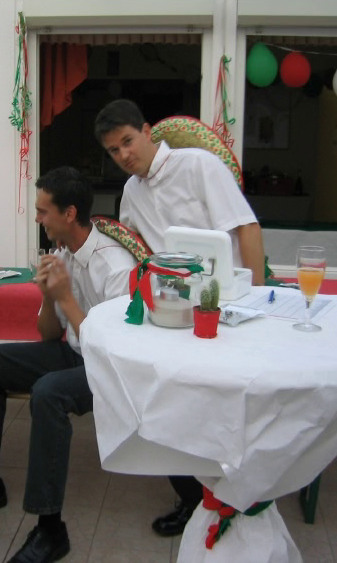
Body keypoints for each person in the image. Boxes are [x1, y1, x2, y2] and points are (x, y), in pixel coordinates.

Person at [0, 167, 137, 563]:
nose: (38, 219)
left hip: (110, 367)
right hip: (74, 352)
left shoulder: (115, 267)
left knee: (49, 393)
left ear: (70, 213)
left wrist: (67, 297)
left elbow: (112, 350)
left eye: (43, 211)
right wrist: (47, 297)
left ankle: (50, 530)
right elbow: (48, 335)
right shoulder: (63, 255)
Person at [94, 99, 266, 538]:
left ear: (147, 131)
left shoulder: (199, 166)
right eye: (113, 150)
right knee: (173, 406)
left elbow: (246, 227)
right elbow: (136, 249)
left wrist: (257, 301)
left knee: (226, 409)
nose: (123, 155)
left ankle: (241, 499)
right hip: (174, 314)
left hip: (226, 308)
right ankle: (193, 501)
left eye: (127, 141)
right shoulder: (131, 192)